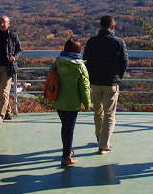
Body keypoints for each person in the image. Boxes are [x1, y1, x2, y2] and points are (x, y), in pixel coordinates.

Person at [83, 15, 128, 154]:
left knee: (98, 111)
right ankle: (104, 145)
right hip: (111, 83)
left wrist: (91, 77)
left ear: (100, 26)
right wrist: (117, 77)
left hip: (95, 82)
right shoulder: (119, 42)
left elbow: (86, 62)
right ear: (113, 26)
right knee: (109, 114)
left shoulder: (92, 42)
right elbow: (124, 62)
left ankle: (99, 137)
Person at [51, 38, 91, 166]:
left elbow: (51, 78)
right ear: (78, 50)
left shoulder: (57, 63)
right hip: (73, 103)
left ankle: (68, 151)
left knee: (65, 127)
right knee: (69, 129)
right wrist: (87, 104)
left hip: (58, 100)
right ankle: (66, 157)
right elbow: (84, 87)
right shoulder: (80, 66)